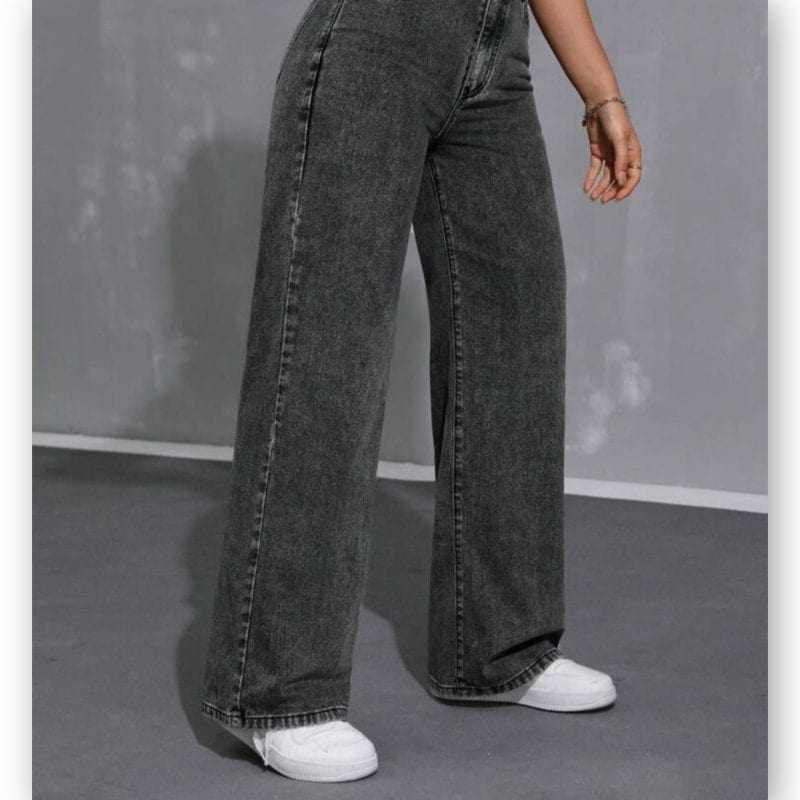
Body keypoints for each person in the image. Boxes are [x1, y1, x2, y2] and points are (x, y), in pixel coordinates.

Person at [200, 0, 642, 783]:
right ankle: (277, 691)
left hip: (496, 54)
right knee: (328, 340)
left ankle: (498, 648)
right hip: (379, 36)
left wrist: (599, 89)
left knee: (515, 324)